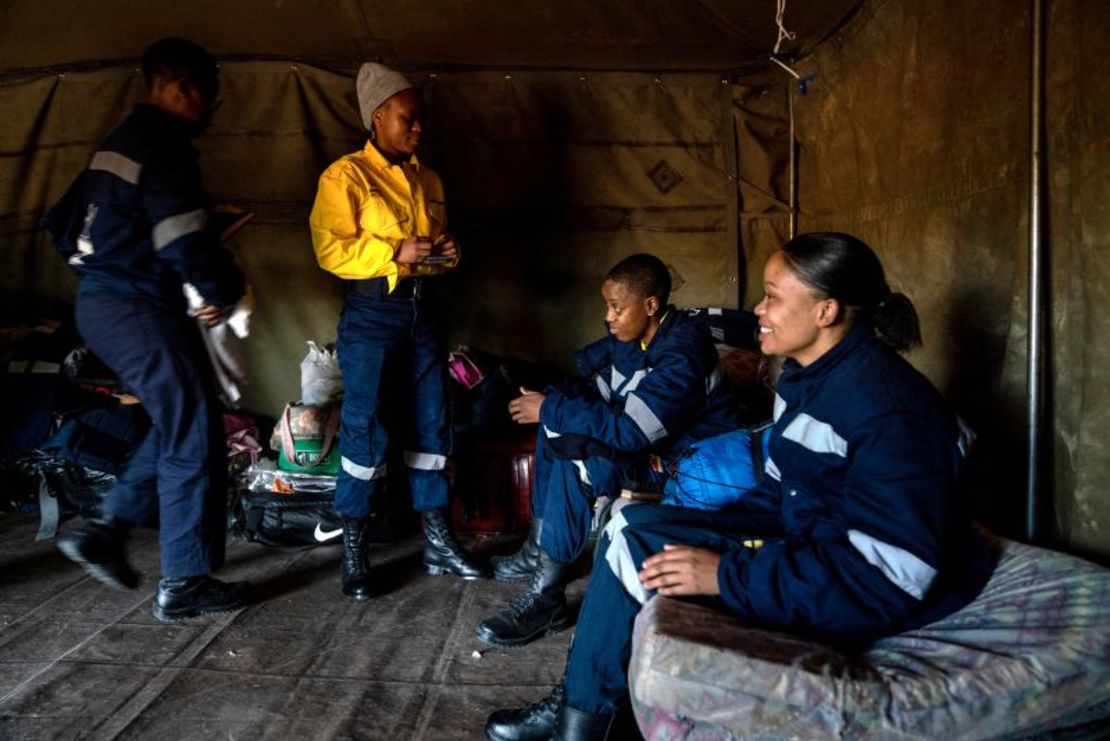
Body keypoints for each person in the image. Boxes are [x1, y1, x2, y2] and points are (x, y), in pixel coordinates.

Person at [484, 233, 995, 740]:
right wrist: (705, 529)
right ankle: (580, 704)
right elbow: (782, 494)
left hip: (851, 582)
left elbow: (892, 576)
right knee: (628, 525)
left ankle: (582, 721)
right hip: (810, 541)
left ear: (826, 311)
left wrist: (726, 572)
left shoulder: (885, 408)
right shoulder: (804, 378)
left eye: (772, 296)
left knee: (628, 527)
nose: (758, 308)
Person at [46, 38, 252, 621]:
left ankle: (107, 530)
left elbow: (62, 225)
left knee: (190, 422)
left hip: (104, 301)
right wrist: (221, 292)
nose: (212, 107)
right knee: (191, 434)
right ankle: (183, 581)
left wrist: (115, 263)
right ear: (185, 89)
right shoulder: (165, 145)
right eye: (209, 93)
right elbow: (182, 237)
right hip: (137, 307)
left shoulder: (116, 145)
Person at [476, 253, 742, 648]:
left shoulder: (682, 352)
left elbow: (632, 431)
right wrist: (552, 402)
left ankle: (547, 597)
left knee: (574, 457)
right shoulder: (637, 338)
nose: (609, 317)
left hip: (687, 467)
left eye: (617, 307)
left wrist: (552, 407)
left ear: (650, 305)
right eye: (607, 307)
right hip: (654, 449)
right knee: (556, 429)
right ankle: (539, 548)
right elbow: (600, 390)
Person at [309, 62, 489, 600]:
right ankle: (356, 552)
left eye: (420, 121)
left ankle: (437, 541)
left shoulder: (427, 179)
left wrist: (446, 253)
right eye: (408, 119)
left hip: (423, 312)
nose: (417, 129)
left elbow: (429, 252)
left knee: (434, 424)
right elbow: (330, 250)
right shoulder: (344, 177)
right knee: (366, 429)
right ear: (378, 116)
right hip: (373, 315)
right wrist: (393, 251)